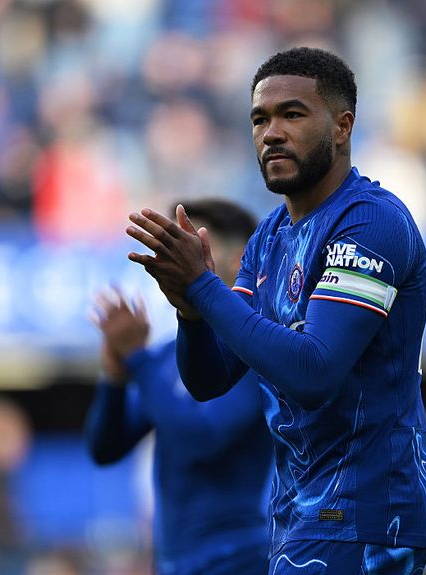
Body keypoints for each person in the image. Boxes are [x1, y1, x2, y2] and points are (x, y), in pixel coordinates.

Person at [126, 47, 426, 574]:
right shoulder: (270, 235)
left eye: (292, 114)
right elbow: (212, 376)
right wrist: (190, 310)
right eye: (259, 118)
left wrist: (203, 286)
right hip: (298, 513)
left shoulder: (371, 222)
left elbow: (314, 371)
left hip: (365, 515)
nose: (271, 132)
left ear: (342, 126)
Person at [84, 199, 272, 575]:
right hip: (172, 562)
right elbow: (105, 447)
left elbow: (203, 437)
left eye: (194, 247)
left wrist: (137, 359)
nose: (175, 259)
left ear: (240, 260)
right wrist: (116, 378)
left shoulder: (257, 349)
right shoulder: (171, 355)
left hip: (234, 559)